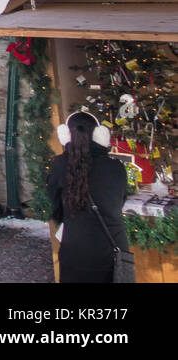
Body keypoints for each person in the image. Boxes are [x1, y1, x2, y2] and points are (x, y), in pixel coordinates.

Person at [48, 110, 129, 283]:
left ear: (66, 136)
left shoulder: (60, 164)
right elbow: (119, 202)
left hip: (76, 246)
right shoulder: (116, 167)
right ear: (99, 135)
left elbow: (54, 205)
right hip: (112, 246)